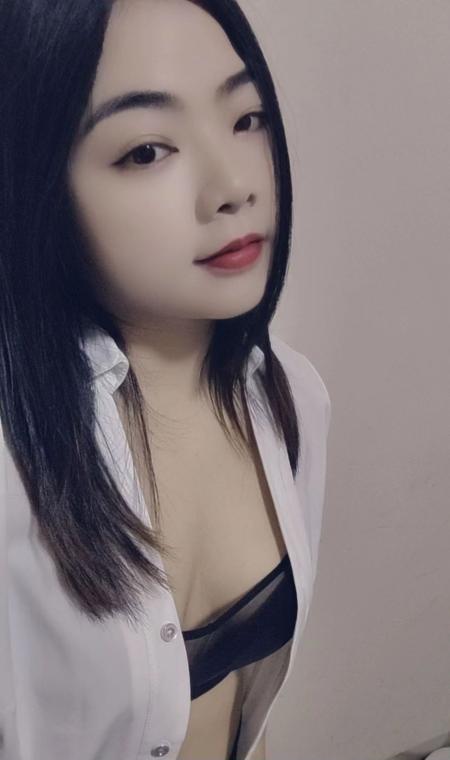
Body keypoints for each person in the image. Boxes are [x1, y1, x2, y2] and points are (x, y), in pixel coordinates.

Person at [0, 1, 331, 758]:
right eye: (148, 150)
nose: (232, 186)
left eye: (246, 118)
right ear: (36, 183)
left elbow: (245, 707)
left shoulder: (292, 397)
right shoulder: (15, 469)